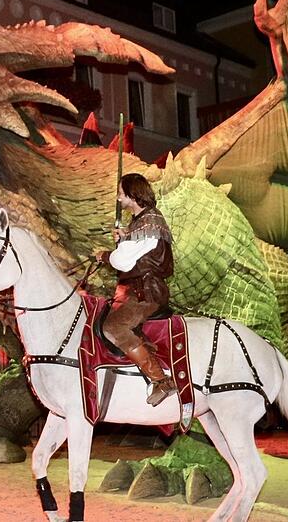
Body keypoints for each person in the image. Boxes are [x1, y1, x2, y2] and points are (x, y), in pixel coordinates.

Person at [93, 173, 176, 407]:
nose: (118, 198)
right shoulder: (143, 222)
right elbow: (136, 253)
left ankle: (161, 380)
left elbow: (122, 261)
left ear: (132, 194)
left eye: (121, 193)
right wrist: (125, 237)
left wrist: (105, 255)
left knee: (113, 327)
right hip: (136, 290)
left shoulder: (149, 222)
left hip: (144, 293)